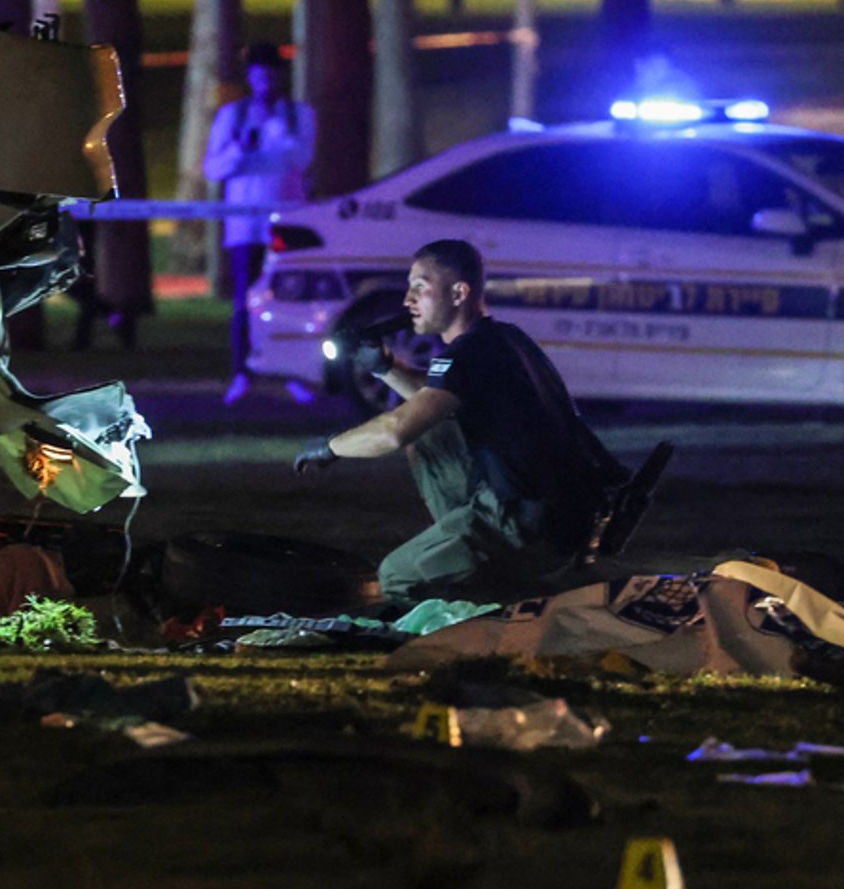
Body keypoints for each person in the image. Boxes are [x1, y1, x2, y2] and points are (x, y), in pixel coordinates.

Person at [292, 240, 623, 605]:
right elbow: (431, 400)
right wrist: (385, 367)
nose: (407, 300)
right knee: (430, 434)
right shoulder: (503, 339)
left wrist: (331, 446)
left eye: (420, 286)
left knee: (396, 578)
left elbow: (395, 430)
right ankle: (463, 552)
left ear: (459, 292)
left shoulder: (469, 353)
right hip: (567, 517)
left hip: (530, 526)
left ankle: (494, 600)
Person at [205, 43, 316, 405]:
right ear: (250, 78)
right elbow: (213, 169)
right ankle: (242, 373)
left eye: (270, 75)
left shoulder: (298, 116)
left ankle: (291, 373)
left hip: (286, 225)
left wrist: (277, 129)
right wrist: (240, 147)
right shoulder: (233, 116)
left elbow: (302, 157)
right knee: (244, 301)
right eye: (258, 76)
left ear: (280, 77)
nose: (265, 82)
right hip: (245, 227)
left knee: (289, 297)